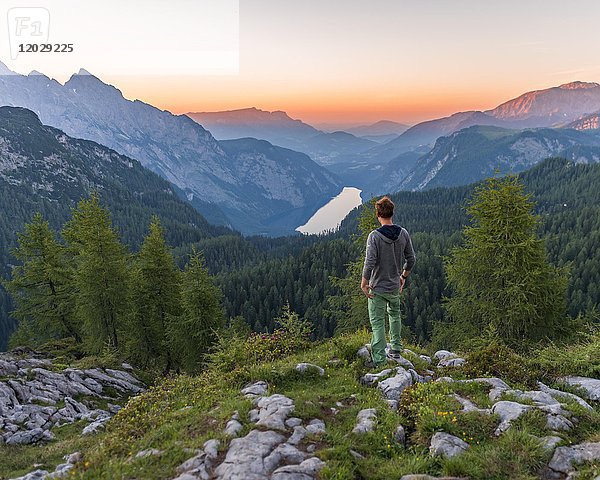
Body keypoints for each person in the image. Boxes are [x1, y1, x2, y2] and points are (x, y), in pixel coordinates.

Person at [361, 196, 416, 367]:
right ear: (392, 212)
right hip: (394, 286)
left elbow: (370, 262)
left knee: (377, 322)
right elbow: (411, 259)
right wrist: (403, 277)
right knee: (395, 316)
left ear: (378, 214)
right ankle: (396, 349)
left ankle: (379, 359)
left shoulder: (374, 236)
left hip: (377, 287)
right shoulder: (403, 233)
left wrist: (364, 282)